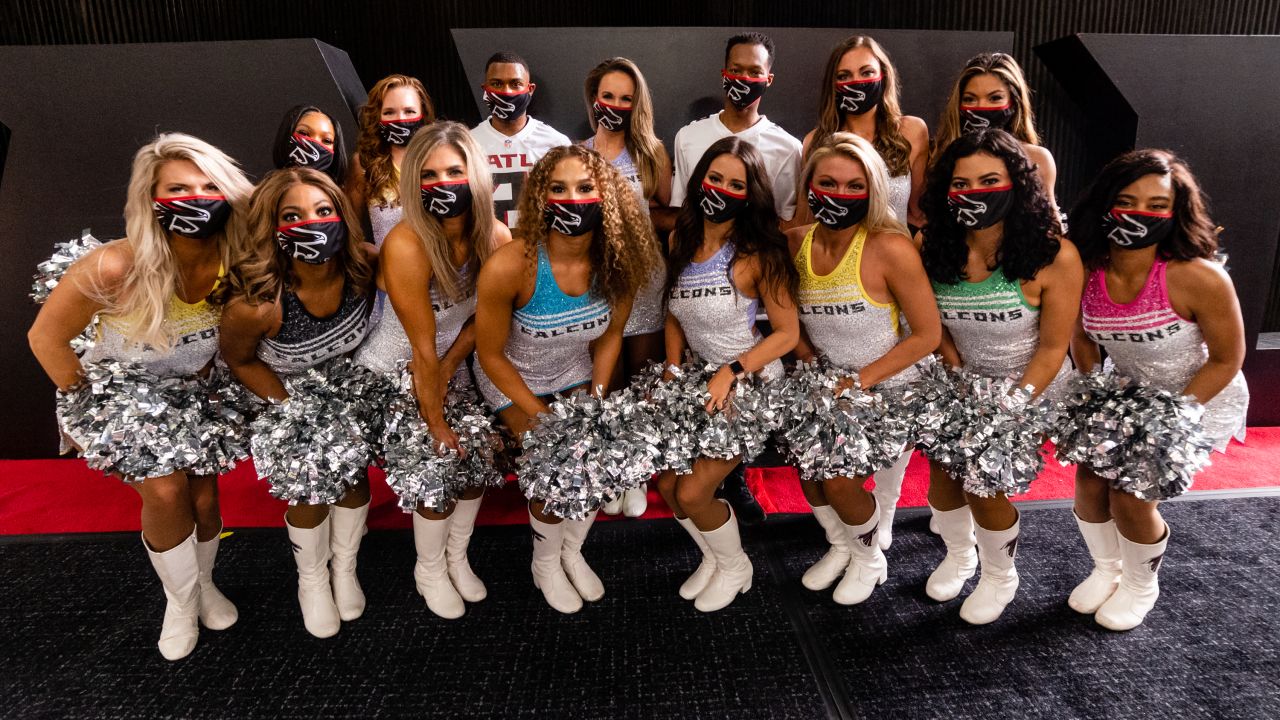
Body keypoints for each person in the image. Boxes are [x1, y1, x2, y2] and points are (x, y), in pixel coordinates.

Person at [28, 133, 253, 660]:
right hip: (124, 394)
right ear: (150, 199)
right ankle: (179, 604)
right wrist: (89, 409)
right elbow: (44, 338)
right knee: (167, 492)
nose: (195, 198)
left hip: (199, 390)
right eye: (178, 188)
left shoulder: (238, 260)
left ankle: (203, 588)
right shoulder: (114, 265)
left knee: (203, 496)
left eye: (207, 186)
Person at [1067, 149, 1248, 630]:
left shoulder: (1197, 276)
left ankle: (1141, 584)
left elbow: (1229, 359)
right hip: (1128, 394)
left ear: (1175, 213)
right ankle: (1107, 570)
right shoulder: (1089, 269)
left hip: (1196, 397)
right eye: (1126, 201)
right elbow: (1080, 335)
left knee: (1130, 494)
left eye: (1155, 205)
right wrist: (1094, 389)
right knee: (1088, 480)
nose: (1139, 214)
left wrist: (1171, 414)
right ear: (1105, 204)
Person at [474, 145, 659, 613]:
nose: (571, 199)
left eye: (584, 188)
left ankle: (570, 551)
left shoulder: (619, 261)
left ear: (606, 198)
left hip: (573, 370)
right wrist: (542, 416)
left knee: (595, 455)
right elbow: (490, 355)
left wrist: (594, 402)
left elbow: (612, 338)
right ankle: (545, 564)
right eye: (558, 188)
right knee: (555, 468)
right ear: (539, 197)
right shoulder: (511, 265)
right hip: (513, 377)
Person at [920, 128, 1082, 624]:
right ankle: (960, 554)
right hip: (963, 379)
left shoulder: (1055, 256)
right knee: (941, 485)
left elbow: (1055, 348)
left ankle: (1000, 575)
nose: (975, 193)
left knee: (981, 484)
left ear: (1018, 184)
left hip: (1030, 386)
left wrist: (1010, 405)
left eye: (990, 180)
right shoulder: (930, 245)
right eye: (962, 182)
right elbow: (933, 328)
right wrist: (957, 375)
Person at [353, 121, 511, 618]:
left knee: (479, 464)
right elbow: (420, 347)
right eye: (429, 175)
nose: (442, 184)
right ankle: (428, 569)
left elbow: (483, 320)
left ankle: (456, 556)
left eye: (454, 171)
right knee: (437, 466)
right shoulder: (406, 243)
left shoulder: (497, 234)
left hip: (450, 365)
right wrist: (435, 420)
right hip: (398, 369)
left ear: (476, 176)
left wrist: (449, 371)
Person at [219, 168, 377, 638]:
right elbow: (240, 361)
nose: (312, 224)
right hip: (281, 395)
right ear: (271, 228)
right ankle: (311, 581)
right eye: (293, 216)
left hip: (346, 389)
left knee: (353, 481)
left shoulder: (364, 267)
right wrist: (293, 409)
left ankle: (344, 568)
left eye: (324, 211)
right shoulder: (259, 303)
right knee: (312, 484)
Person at [784, 132, 941, 603]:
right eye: (828, 183)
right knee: (807, 471)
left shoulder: (889, 247)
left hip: (891, 386)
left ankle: (871, 559)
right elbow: (794, 327)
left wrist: (859, 382)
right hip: (832, 385)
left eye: (856, 187)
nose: (841, 195)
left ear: (872, 191)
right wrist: (816, 370)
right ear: (808, 185)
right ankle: (844, 545)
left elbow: (927, 335)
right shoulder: (794, 243)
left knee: (835, 477)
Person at [656, 136, 800, 612]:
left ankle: (736, 566)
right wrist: (674, 366)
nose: (721, 189)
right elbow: (674, 312)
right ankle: (715, 558)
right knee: (668, 488)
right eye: (714, 178)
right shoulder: (681, 237)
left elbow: (785, 334)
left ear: (751, 193)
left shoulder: (757, 253)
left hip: (752, 383)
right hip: (701, 380)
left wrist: (732, 370)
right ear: (699, 182)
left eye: (735, 184)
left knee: (695, 491)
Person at [580, 56, 674, 518]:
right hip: (597, 280)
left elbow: (664, 212)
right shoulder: (576, 153)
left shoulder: (651, 152)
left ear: (637, 104)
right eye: (608, 96)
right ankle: (611, 470)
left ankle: (637, 471)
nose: (615, 105)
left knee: (643, 378)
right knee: (606, 379)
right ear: (594, 99)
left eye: (625, 98)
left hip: (645, 278)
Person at [670, 32, 803, 223]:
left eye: (755, 72)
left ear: (769, 79)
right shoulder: (688, 137)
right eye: (736, 70)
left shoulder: (789, 149)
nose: (744, 79)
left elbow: (785, 222)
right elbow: (681, 211)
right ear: (724, 74)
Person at [800, 35, 929, 229]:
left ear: (883, 76)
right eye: (844, 76)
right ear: (833, 84)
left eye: (866, 72)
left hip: (894, 253)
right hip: (835, 256)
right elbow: (807, 219)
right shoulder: (815, 141)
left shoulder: (912, 131)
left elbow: (917, 212)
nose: (856, 82)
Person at [932, 52, 1058, 210]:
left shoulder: (1036, 158)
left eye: (995, 98)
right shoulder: (941, 155)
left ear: (1014, 101)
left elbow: (1051, 225)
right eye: (970, 99)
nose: (981, 106)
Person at [470, 51, 572, 227]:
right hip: (487, 247)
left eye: (515, 84)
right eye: (497, 84)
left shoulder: (557, 143)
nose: (507, 92)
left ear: (530, 90)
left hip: (539, 246)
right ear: (485, 90)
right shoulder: (468, 143)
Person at [346, 74, 436, 247]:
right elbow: (352, 232)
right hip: (388, 270)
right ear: (377, 116)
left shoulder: (440, 159)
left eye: (409, 111)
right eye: (389, 112)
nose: (400, 119)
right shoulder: (364, 163)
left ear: (423, 113)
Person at [272, 103, 349, 185]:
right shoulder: (261, 194)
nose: (315, 143)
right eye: (303, 133)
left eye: (327, 140)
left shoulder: (335, 197)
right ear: (286, 134)